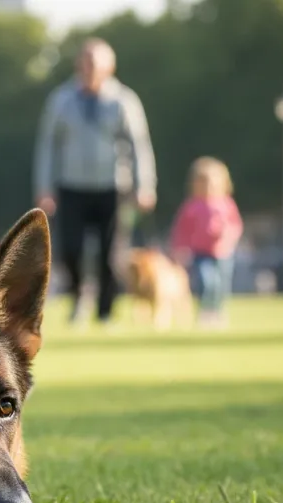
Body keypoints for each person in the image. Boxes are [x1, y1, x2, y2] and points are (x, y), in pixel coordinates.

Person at [34, 38, 157, 325]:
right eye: (85, 62)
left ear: (109, 67)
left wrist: (145, 185)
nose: (89, 68)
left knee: (111, 253)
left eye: (95, 63)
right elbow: (48, 145)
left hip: (113, 186)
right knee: (70, 249)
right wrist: (44, 186)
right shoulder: (61, 100)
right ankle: (78, 299)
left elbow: (139, 144)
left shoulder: (124, 100)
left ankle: (105, 311)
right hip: (71, 184)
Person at [170, 157, 244, 328]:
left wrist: (228, 237)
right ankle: (205, 311)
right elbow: (181, 229)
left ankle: (218, 311)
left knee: (221, 284)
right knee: (206, 281)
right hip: (200, 252)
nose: (207, 187)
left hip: (223, 253)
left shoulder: (226, 204)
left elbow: (235, 225)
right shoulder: (192, 206)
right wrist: (179, 248)